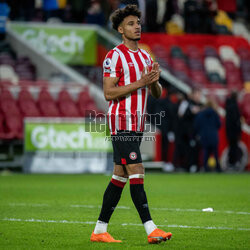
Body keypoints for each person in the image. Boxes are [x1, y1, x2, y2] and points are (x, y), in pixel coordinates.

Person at [90, 4, 172, 244]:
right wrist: (140, 82)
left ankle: (99, 231)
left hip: (137, 124)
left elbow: (155, 93)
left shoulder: (146, 56)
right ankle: (151, 229)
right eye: (130, 23)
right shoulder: (114, 56)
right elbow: (108, 92)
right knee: (137, 171)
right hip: (121, 121)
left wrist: (154, 81)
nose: (137, 26)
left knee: (119, 177)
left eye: (138, 22)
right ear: (120, 29)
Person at [194, 99, 221, 172]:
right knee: (215, 153)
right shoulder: (215, 114)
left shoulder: (201, 114)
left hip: (204, 136)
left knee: (206, 152)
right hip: (213, 136)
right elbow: (219, 125)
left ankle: (205, 167)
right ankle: (218, 168)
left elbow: (196, 125)